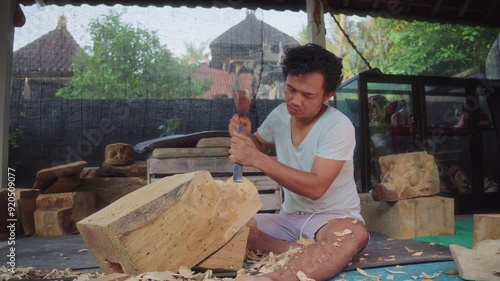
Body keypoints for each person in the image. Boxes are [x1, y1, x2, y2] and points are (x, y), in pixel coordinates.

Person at [228, 43, 369, 281]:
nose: (295, 101)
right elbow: (259, 146)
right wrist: (244, 137)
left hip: (332, 218)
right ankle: (297, 250)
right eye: (291, 89)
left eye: (307, 95)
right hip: (289, 218)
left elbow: (315, 188)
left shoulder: (338, 126)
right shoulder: (280, 115)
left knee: (353, 234)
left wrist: (256, 157)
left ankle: (274, 278)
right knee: (229, 224)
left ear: (327, 96)